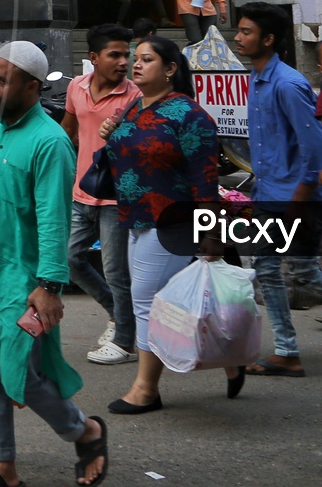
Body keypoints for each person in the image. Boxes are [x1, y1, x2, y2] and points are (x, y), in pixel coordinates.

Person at [0, 41, 108, 487]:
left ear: (32, 86)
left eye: (3, 80)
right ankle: (3, 468)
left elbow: (54, 219)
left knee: (22, 372)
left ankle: (86, 431)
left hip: (27, 282)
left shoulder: (50, 142)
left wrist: (50, 286)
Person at [97, 36, 236, 413]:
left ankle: (146, 389)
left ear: (171, 69)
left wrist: (211, 231)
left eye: (146, 59)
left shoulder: (191, 117)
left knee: (147, 303)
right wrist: (109, 137)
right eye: (134, 58)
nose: (135, 65)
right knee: (177, 304)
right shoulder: (133, 107)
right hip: (134, 217)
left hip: (172, 221)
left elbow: (205, 180)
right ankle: (230, 360)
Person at [233, 2, 322, 377]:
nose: (238, 38)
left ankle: (288, 352)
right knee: (268, 270)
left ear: (268, 39)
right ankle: (287, 352)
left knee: (306, 275)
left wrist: (299, 201)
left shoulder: (288, 83)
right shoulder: (256, 78)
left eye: (247, 32)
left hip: (294, 200)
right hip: (269, 195)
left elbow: (314, 148)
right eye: (238, 30)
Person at [60, 24, 141, 367]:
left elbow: (142, 148)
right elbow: (67, 131)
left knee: (116, 272)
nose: (124, 61)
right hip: (83, 191)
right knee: (70, 259)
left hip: (117, 198)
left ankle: (125, 341)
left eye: (127, 54)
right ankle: (118, 314)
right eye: (115, 55)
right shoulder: (76, 87)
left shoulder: (135, 96)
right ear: (93, 58)